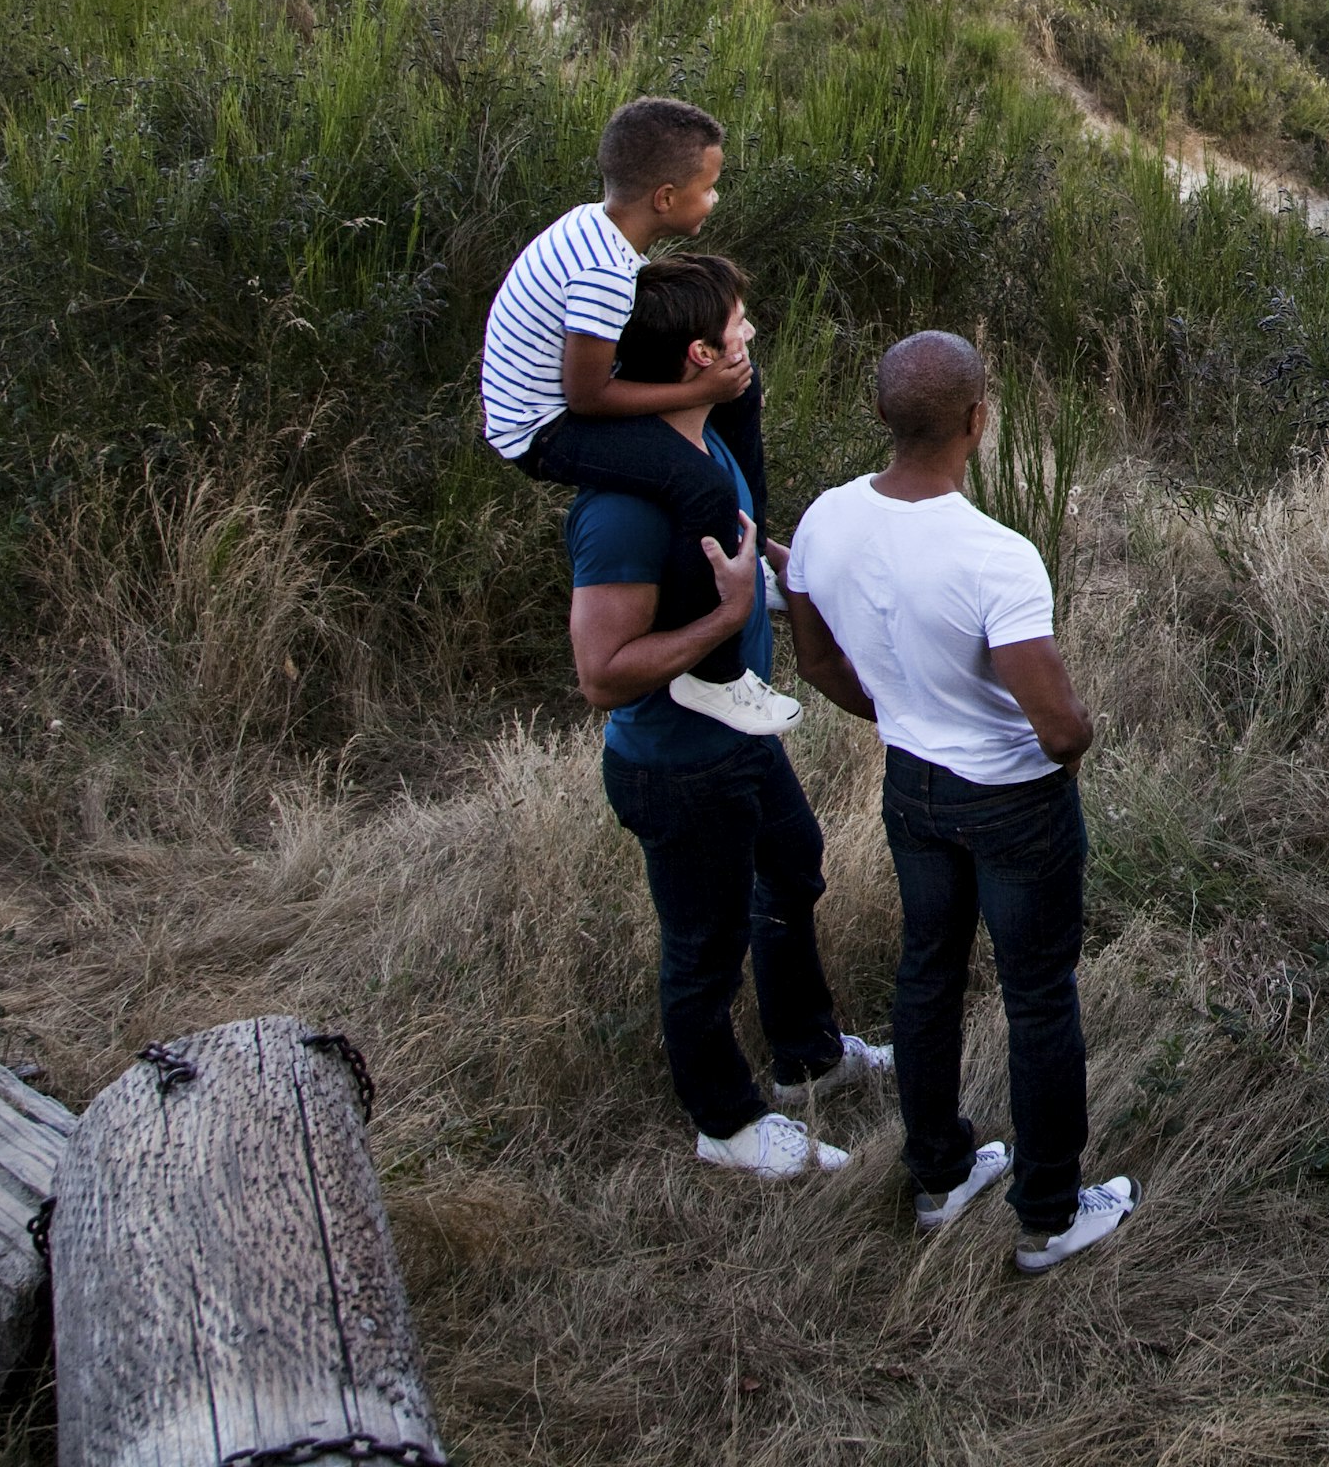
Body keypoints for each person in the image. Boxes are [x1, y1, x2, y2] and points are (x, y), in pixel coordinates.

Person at [783, 331, 1138, 1272]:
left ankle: (940, 1175)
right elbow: (1059, 727)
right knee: (1038, 997)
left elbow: (817, 655)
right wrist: (1068, 745)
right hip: (1013, 799)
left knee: (928, 974)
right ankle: (1051, 1214)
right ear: (978, 422)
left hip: (913, 787)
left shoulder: (825, 520)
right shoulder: (996, 557)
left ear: (885, 416)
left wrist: (893, 710)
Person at [569, 253, 890, 1177]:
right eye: (741, 325)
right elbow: (603, 673)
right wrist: (720, 615)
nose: (754, 336)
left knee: (792, 870)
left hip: (740, 738)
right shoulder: (626, 507)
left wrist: (819, 577)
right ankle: (728, 1125)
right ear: (702, 351)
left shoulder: (700, 448)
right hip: (675, 765)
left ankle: (807, 1056)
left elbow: (748, 551)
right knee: (702, 949)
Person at [484, 95, 797, 735]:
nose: (714, 201)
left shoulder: (600, 227)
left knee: (739, 386)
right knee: (698, 482)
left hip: (563, 397)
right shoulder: (605, 271)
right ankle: (713, 676)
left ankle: (750, 556)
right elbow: (586, 398)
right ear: (664, 197)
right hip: (541, 429)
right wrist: (692, 390)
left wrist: (718, 384)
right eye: (708, 189)